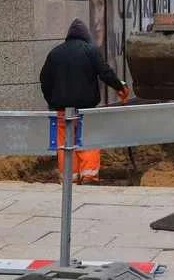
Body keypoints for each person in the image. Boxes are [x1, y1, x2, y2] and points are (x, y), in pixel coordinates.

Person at [40, 19, 129, 184]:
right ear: (86, 37)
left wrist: (52, 101)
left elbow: (44, 80)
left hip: (61, 109)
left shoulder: (54, 53)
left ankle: (69, 178)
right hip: (86, 109)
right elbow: (105, 73)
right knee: (88, 139)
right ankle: (88, 176)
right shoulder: (90, 51)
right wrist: (120, 87)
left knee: (65, 144)